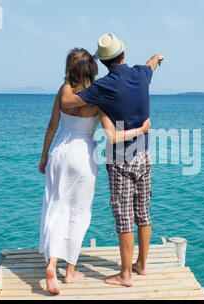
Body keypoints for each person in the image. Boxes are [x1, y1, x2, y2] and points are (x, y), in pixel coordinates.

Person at [38, 48, 150, 295]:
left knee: (56, 206)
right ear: (93, 68)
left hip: (59, 151)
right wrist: (140, 131)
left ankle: (51, 265)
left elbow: (52, 125)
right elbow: (112, 136)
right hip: (83, 155)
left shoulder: (64, 91)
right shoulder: (99, 96)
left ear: (71, 68)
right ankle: (69, 272)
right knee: (79, 211)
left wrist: (44, 155)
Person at [60, 33, 164, 286]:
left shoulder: (103, 87)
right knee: (143, 212)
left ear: (104, 63)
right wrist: (157, 58)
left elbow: (67, 102)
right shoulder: (141, 74)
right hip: (144, 154)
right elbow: (152, 63)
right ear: (124, 54)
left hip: (120, 159)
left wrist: (70, 82)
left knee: (124, 216)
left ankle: (125, 274)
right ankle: (141, 265)